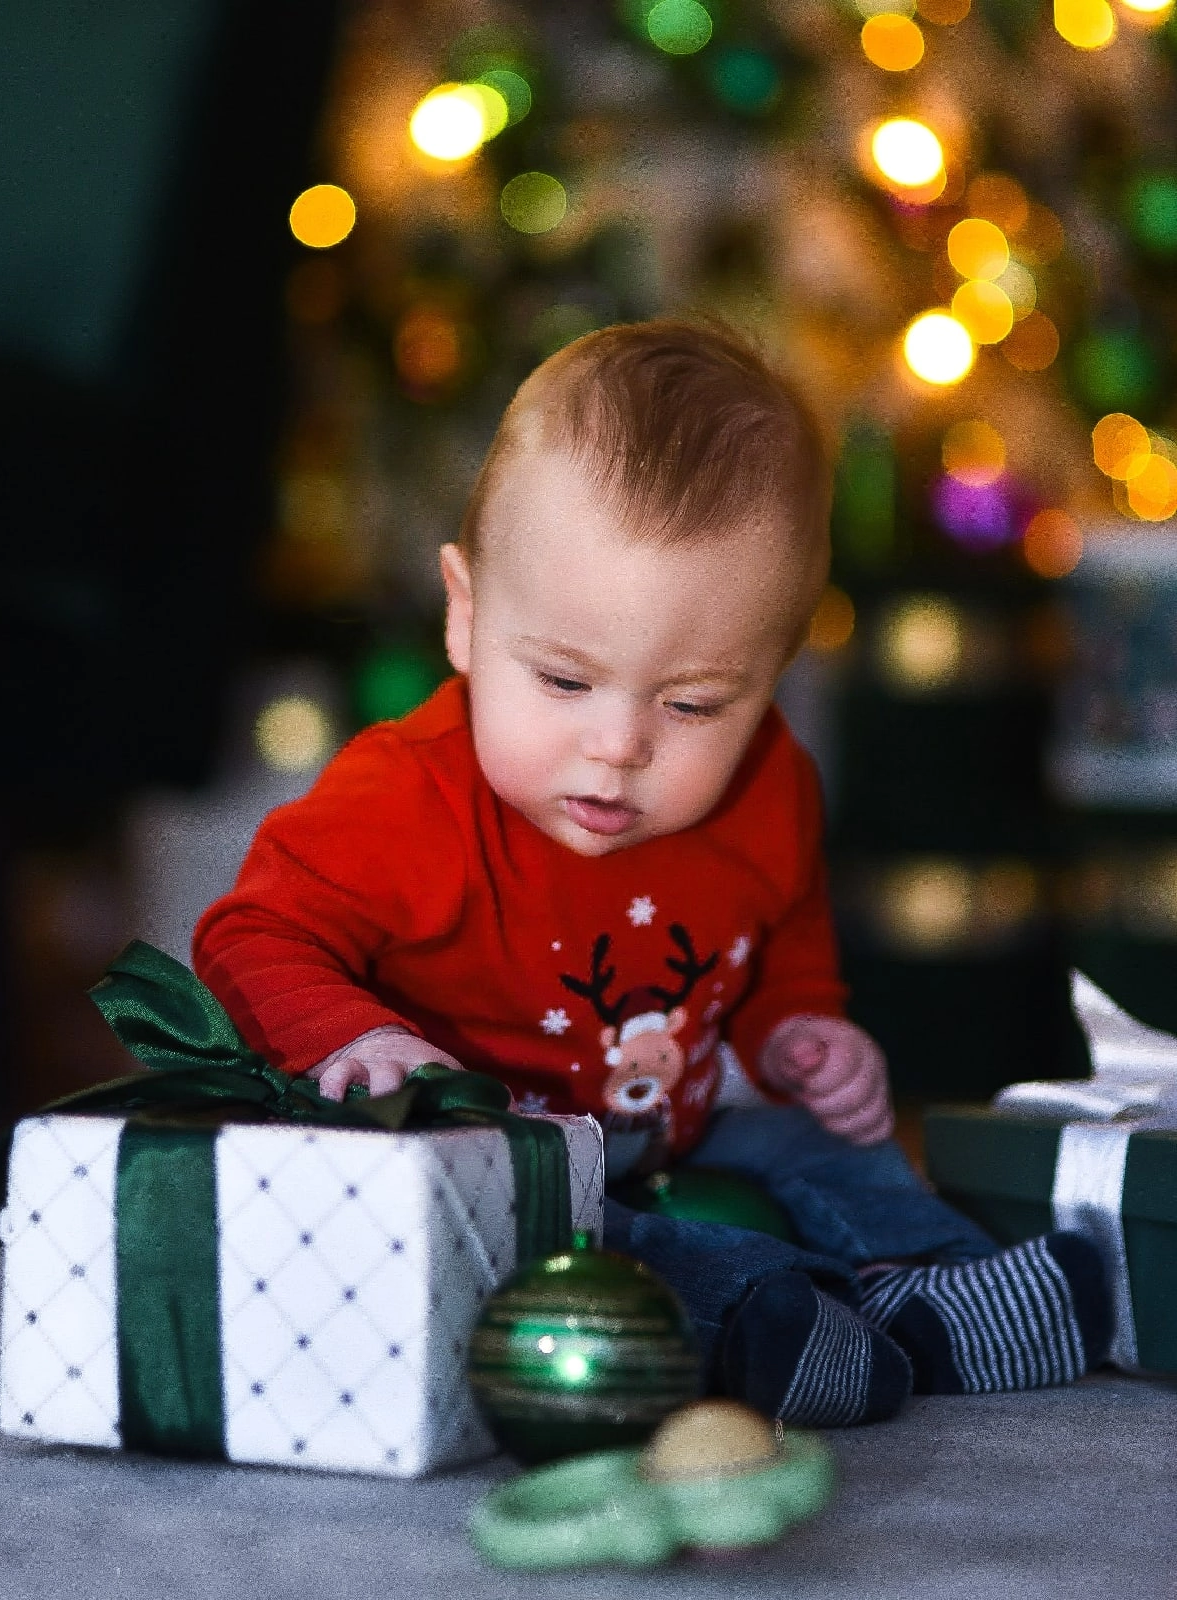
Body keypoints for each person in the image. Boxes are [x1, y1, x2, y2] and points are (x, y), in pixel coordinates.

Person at [194, 319, 1111, 1425]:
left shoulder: (769, 785)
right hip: (497, 1145)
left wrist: (797, 1033)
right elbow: (249, 934)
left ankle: (940, 1283)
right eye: (565, 682)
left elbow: (783, 948)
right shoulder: (406, 801)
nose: (619, 746)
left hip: (674, 1111)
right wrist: (357, 1039)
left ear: (771, 679)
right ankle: (757, 1324)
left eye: (689, 704)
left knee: (835, 1140)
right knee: (577, 1241)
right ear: (467, 615)